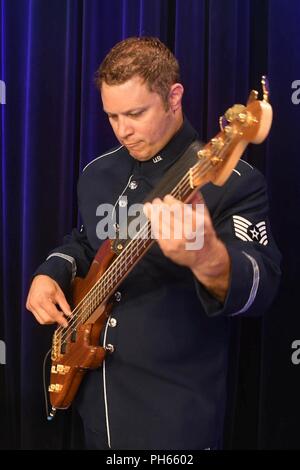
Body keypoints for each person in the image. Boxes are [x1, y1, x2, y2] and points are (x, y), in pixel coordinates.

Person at [26, 37, 281, 450]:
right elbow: (85, 240)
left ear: (174, 96)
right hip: (93, 406)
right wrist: (50, 271)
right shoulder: (97, 173)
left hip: (174, 418)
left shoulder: (235, 182)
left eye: (136, 113)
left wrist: (206, 258)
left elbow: (262, 286)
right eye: (112, 116)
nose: (123, 130)